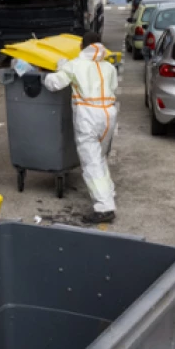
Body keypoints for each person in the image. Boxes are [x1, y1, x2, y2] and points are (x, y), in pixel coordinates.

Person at [44, 31, 118, 224]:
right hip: (109, 114)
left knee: (91, 161)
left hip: (88, 116)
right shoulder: (109, 66)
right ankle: (108, 192)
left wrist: (56, 71)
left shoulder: (75, 65)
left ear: (81, 47)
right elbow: (113, 87)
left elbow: (54, 84)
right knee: (99, 156)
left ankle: (104, 207)